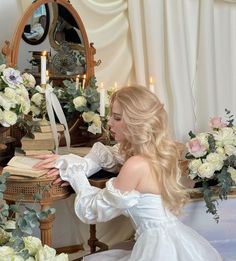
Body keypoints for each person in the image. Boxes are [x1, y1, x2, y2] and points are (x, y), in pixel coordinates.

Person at [33, 85, 222, 260]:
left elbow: (92, 211)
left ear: (137, 121)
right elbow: (109, 155)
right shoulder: (159, 152)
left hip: (157, 247)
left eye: (117, 118)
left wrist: (74, 172)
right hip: (172, 236)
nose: (109, 124)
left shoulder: (136, 165)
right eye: (111, 117)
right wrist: (82, 162)